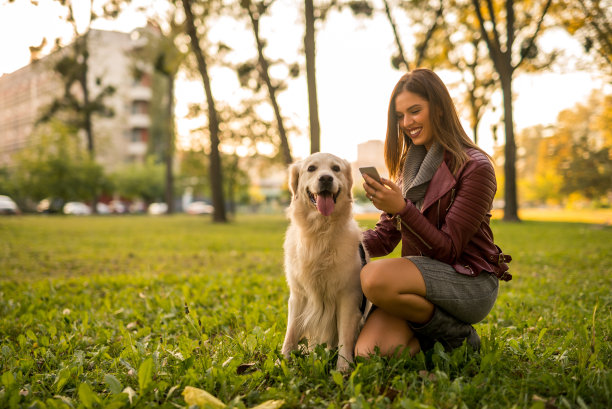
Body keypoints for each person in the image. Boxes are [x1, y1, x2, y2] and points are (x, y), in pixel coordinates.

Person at [355, 68, 512, 358]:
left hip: (468, 281)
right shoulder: (406, 170)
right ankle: (432, 341)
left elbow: (449, 250)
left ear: (438, 108)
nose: (407, 123)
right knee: (370, 352)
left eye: (415, 111)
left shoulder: (476, 167)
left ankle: (460, 338)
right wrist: (337, 240)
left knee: (374, 278)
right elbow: (385, 237)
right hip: (419, 282)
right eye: (400, 116)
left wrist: (402, 208)